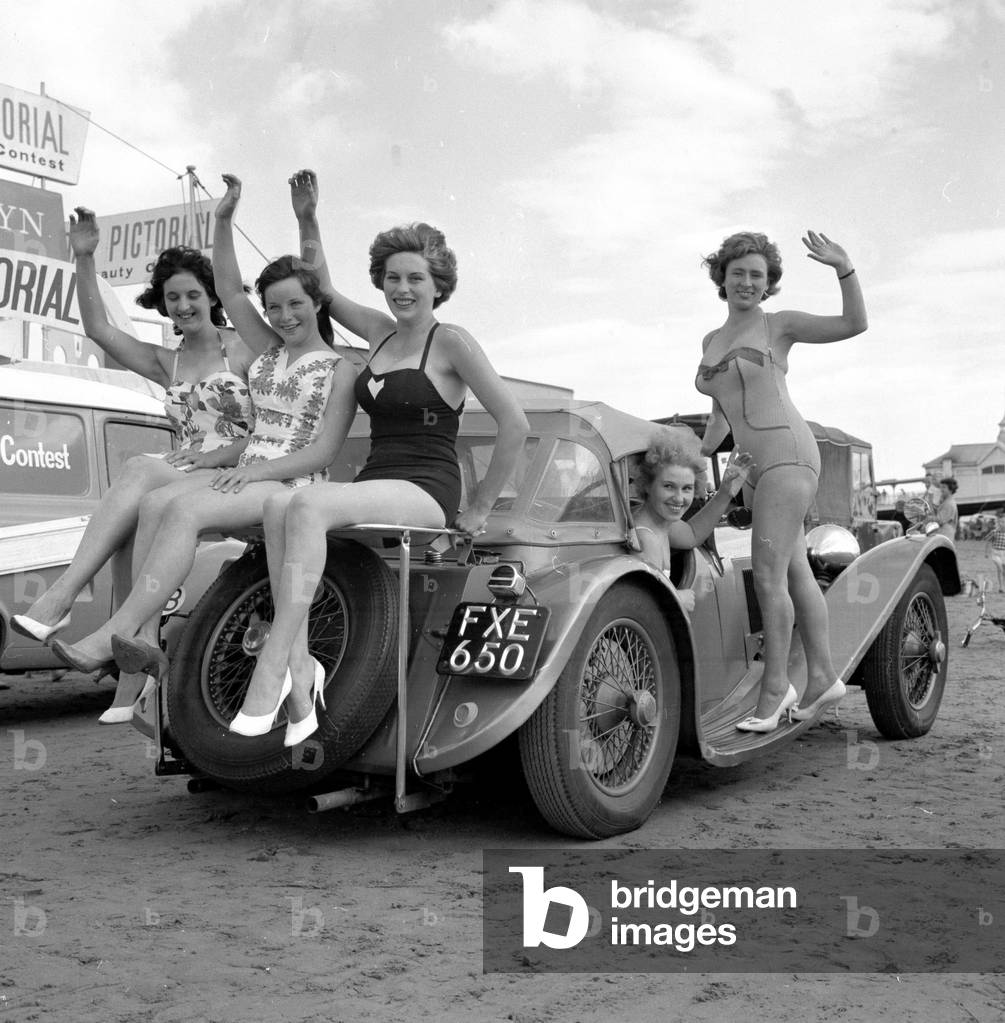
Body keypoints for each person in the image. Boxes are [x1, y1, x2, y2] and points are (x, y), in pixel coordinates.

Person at [230, 169, 530, 745]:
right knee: (277, 510)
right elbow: (320, 288)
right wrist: (307, 219)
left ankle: (273, 668)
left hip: (426, 488)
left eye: (416, 278)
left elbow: (512, 424)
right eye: (393, 278)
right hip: (377, 481)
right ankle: (301, 677)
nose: (403, 288)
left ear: (437, 284)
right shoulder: (379, 333)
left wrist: (481, 509)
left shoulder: (452, 342)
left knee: (308, 506)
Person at [50, 174, 357, 686]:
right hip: (245, 473)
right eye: (274, 307)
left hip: (289, 483)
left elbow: (323, 450)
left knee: (180, 507)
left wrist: (308, 219)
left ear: (318, 304)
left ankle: (117, 634)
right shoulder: (271, 351)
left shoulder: (341, 367)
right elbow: (231, 290)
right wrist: (222, 218)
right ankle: (133, 641)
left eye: (295, 305)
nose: (282, 316)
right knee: (158, 504)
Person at [11, 213, 262, 723]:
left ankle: (59, 604)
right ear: (163, 304)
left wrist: (217, 455)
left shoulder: (244, 350)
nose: (184, 305)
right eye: (173, 297)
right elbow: (99, 328)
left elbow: (277, 429)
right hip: (185, 476)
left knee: (141, 471)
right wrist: (84, 258)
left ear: (212, 296)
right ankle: (134, 675)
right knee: (135, 522)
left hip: (240, 473)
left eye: (192, 294)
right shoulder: (165, 362)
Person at [696, 229, 867, 729]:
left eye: (758, 275)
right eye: (738, 273)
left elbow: (854, 324)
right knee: (792, 572)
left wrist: (844, 267)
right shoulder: (711, 340)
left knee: (769, 578)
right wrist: (696, 454)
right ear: (722, 279)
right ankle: (822, 678)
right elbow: (719, 415)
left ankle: (775, 688)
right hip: (752, 467)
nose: (748, 282)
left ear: (768, 283)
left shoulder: (779, 325)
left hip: (790, 455)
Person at [633, 435, 754, 614]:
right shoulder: (646, 537)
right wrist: (676, 598)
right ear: (647, 486)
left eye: (687, 488)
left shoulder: (660, 523)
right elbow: (643, 605)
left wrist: (725, 492)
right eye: (668, 486)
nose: (679, 498)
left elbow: (692, 535)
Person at [984, 510, 1005, 593]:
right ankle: (1001, 587)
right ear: (999, 523)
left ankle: (1002, 586)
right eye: (1002, 522)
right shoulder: (994, 532)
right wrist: (986, 552)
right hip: (996, 553)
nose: (1003, 524)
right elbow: (988, 541)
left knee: (1003, 570)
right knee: (1000, 569)